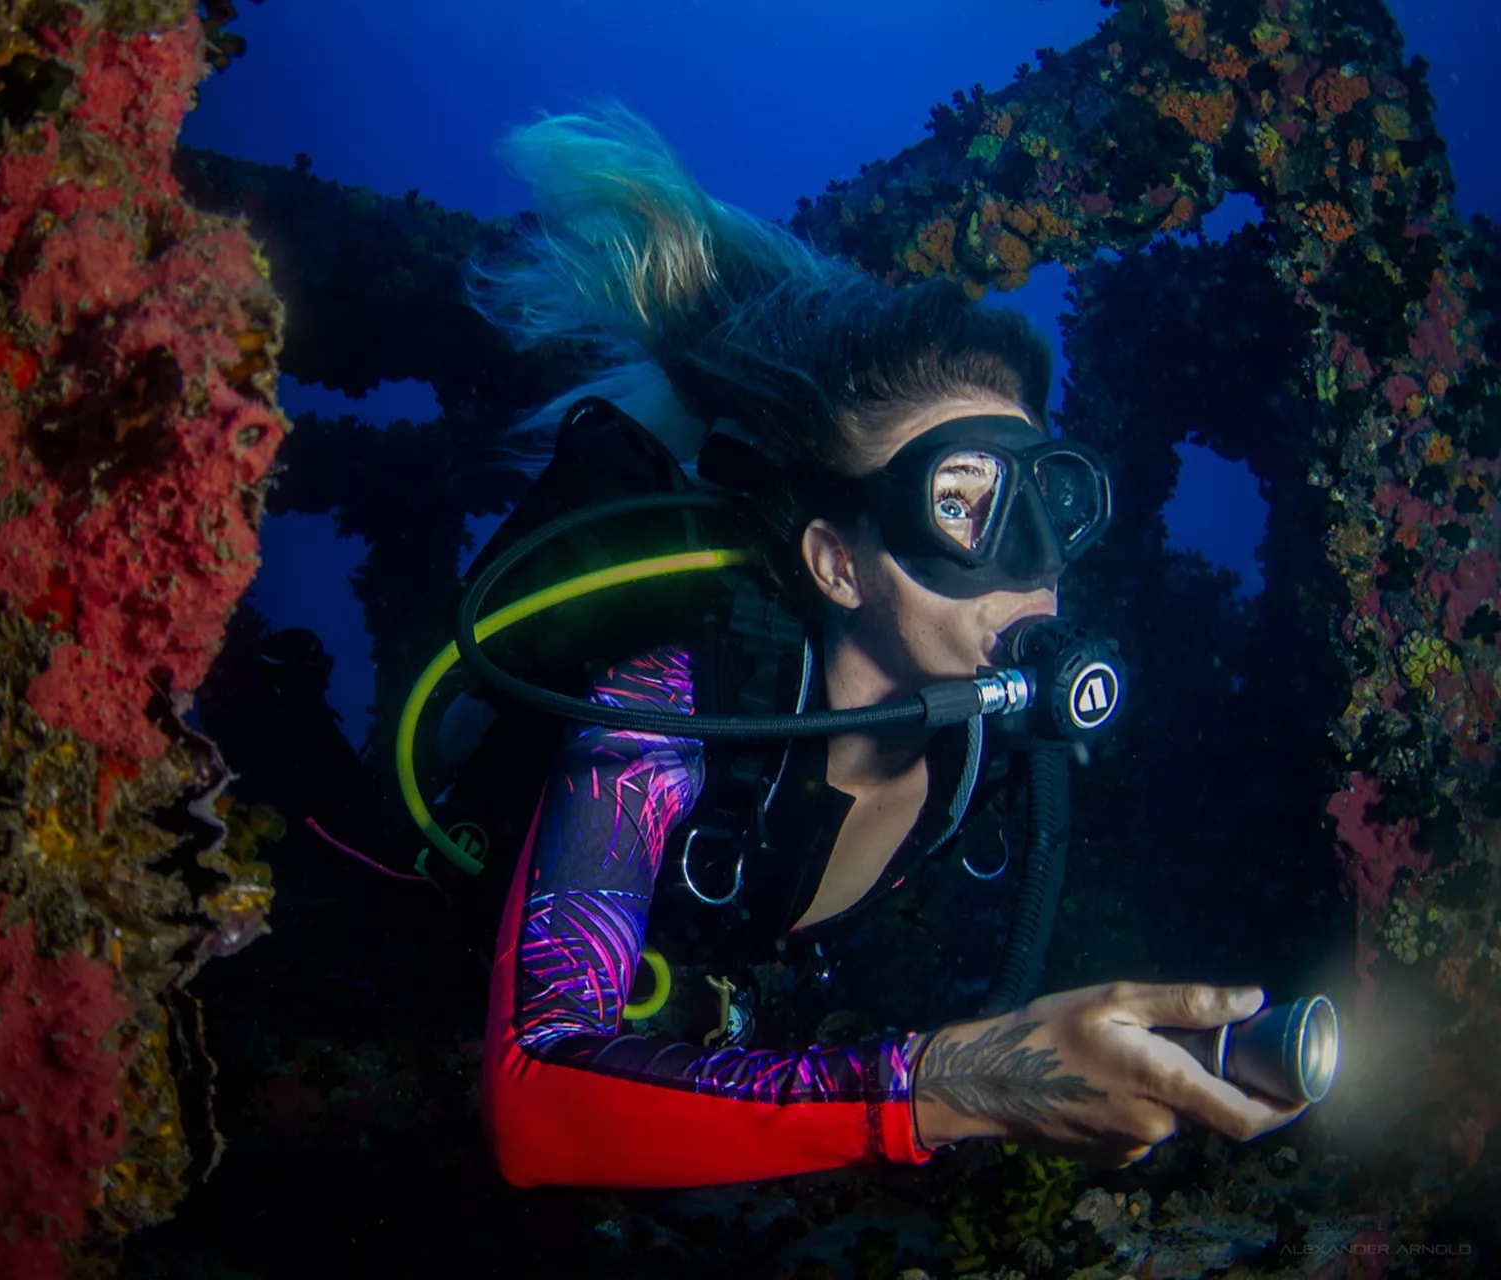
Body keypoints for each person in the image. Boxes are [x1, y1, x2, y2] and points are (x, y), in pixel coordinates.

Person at [463, 107, 1306, 1188]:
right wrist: (955, 1084)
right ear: (837, 562)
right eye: (963, 503)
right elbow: (535, 1099)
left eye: (1049, 499)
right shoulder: (663, 700)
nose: (1034, 562)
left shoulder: (990, 727)